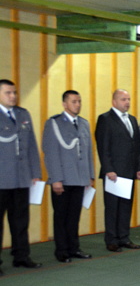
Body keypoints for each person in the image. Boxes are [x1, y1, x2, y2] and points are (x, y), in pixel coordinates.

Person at [43, 90, 94, 263]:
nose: (77, 105)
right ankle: (62, 250)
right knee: (61, 216)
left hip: (79, 178)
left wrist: (90, 176)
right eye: (74, 101)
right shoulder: (54, 123)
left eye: (79, 101)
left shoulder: (84, 123)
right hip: (63, 178)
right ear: (65, 104)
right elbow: (50, 152)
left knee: (74, 216)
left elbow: (88, 152)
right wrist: (55, 179)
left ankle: (74, 248)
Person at [0, 79, 42, 272]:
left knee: (20, 221)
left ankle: (21, 256)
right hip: (2, 179)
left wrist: (35, 173)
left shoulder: (23, 114)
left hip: (21, 177)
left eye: (14, 92)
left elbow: (31, 145)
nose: (13, 96)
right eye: (8, 93)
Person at [95, 89, 140, 253]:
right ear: (114, 101)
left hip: (129, 172)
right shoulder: (105, 119)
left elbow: (137, 146)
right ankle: (111, 240)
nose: (127, 102)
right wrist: (108, 169)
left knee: (125, 207)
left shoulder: (132, 119)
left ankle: (124, 237)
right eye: (123, 99)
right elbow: (103, 147)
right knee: (112, 208)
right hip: (113, 173)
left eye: (128, 99)